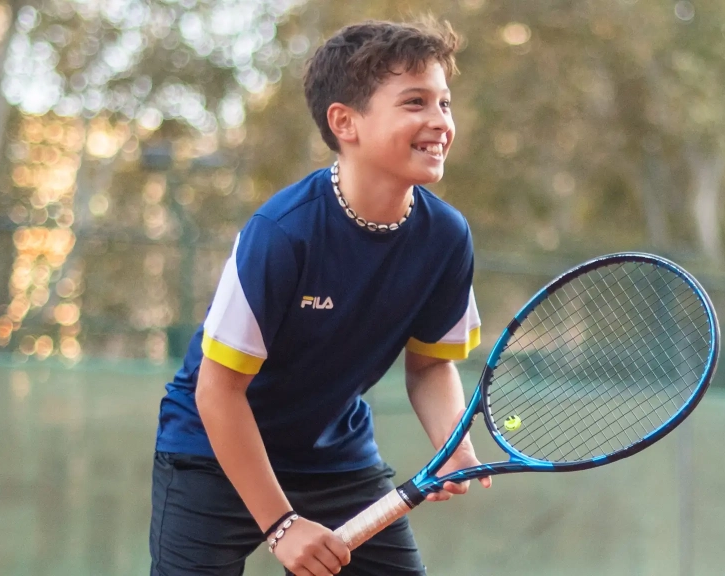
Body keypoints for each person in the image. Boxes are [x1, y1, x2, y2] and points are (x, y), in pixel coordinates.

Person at [149, 18, 490, 576]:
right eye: (414, 102)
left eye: (444, 103)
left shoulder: (447, 237)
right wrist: (282, 524)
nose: (439, 122)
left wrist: (451, 439)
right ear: (345, 122)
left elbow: (429, 367)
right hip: (211, 450)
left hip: (336, 456)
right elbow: (218, 391)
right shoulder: (283, 233)